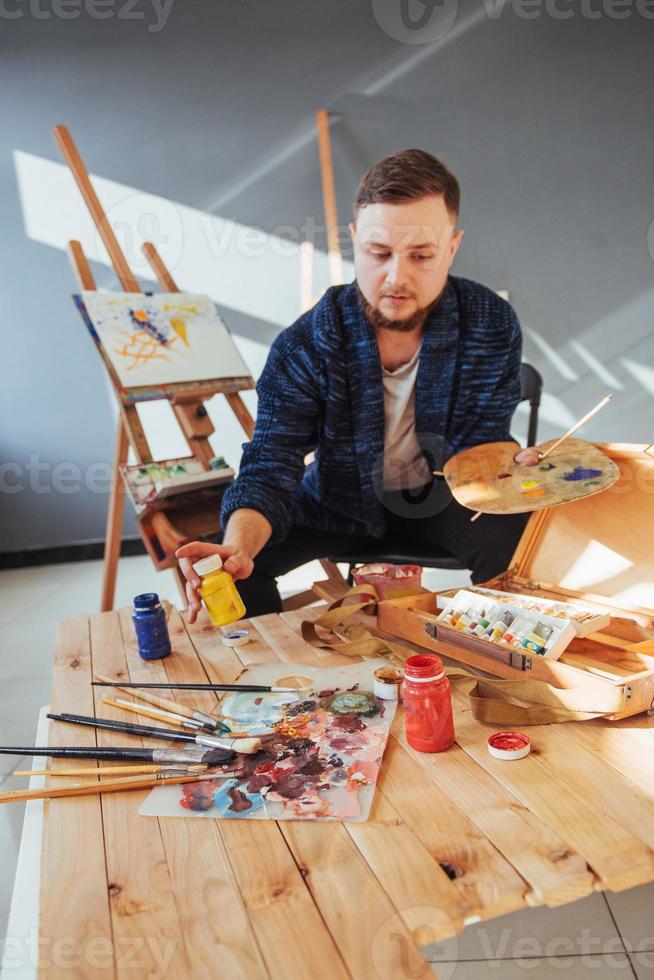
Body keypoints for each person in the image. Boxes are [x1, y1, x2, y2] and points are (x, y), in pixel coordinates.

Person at [177, 148, 540, 621]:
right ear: (354, 241)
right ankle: (278, 685)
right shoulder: (306, 342)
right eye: (379, 252)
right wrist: (236, 546)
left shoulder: (489, 322)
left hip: (443, 497)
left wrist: (513, 466)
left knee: (524, 546)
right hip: (334, 498)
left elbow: (481, 441)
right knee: (242, 567)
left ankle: (500, 662)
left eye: (422, 255)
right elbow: (271, 462)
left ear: (452, 247)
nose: (397, 277)